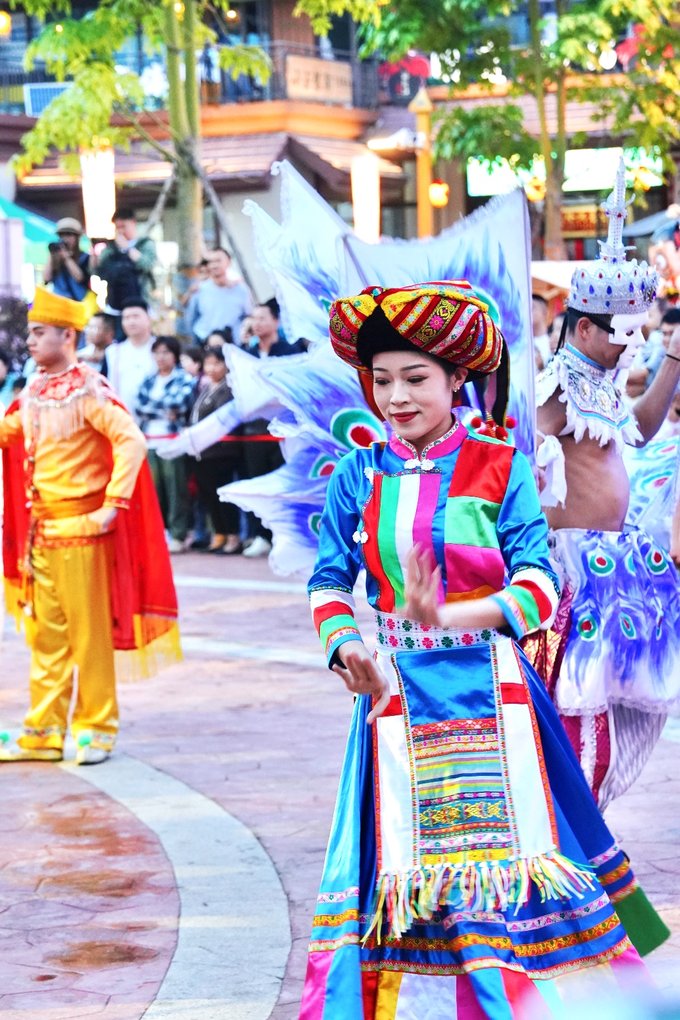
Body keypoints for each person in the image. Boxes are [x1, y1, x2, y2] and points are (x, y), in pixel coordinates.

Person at [300, 280, 667, 1018]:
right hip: (395, 699)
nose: (396, 397)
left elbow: (538, 585)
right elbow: (329, 580)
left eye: (415, 378)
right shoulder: (358, 473)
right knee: (404, 872)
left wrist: (454, 612)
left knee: (502, 879)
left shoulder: (500, 464)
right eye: (382, 380)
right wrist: (347, 650)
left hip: (492, 692)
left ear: (456, 378)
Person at [533, 161, 680, 806]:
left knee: (613, 716)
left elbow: (639, 431)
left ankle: (584, 822)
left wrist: (673, 358)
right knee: (578, 714)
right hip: (573, 568)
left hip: (615, 561)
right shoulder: (556, 387)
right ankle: (573, 824)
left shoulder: (602, 381)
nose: (633, 342)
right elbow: (519, 454)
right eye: (624, 330)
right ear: (586, 328)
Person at [0, 289, 179, 765]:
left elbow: (131, 442)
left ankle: (96, 728)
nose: (30, 341)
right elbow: (8, 434)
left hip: (82, 530)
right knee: (46, 637)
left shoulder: (89, 389)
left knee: (88, 637)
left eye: (39, 332)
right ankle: (43, 730)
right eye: (30, 332)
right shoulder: (33, 391)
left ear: (68, 336)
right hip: (42, 531)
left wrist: (112, 505)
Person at [242, 299, 303, 557]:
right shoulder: (247, 354)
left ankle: (286, 535)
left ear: (276, 321)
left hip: (283, 431)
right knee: (255, 482)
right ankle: (261, 535)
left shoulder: (290, 352)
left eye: (262, 318)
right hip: (253, 431)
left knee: (283, 483)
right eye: (253, 318)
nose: (257, 323)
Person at [136, 336, 196, 553]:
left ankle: (178, 533)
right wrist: (163, 410)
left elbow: (179, 404)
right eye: (157, 352)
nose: (161, 357)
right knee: (154, 490)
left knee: (175, 489)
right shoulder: (148, 380)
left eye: (166, 352)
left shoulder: (184, 379)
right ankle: (159, 533)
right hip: (149, 441)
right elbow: (139, 406)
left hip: (173, 442)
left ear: (175, 355)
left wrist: (156, 408)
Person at [188, 347, 243, 554]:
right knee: (209, 495)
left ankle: (233, 536)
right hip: (202, 451)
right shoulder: (206, 387)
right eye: (208, 363)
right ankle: (219, 534)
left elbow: (221, 418)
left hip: (221, 452)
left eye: (217, 363)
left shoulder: (229, 388)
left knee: (224, 495)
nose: (211, 368)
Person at [94, 207, 156, 329]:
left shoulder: (145, 244)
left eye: (123, 226)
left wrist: (127, 247)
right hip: (115, 304)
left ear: (133, 223)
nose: (121, 231)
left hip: (140, 301)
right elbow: (98, 272)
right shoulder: (111, 248)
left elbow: (147, 265)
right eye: (118, 227)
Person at [102, 298, 156, 421]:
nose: (131, 322)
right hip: (121, 420)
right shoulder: (112, 352)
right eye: (126, 318)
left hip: (154, 423)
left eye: (136, 316)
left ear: (148, 318)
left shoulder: (161, 349)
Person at [186, 248, 253, 345]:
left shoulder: (241, 290)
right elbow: (191, 319)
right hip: (206, 344)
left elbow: (248, 316)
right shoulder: (199, 290)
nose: (214, 265)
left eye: (218, 261)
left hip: (234, 345)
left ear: (228, 262)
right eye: (210, 262)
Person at [43, 217, 92, 303]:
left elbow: (80, 278)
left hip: (78, 304)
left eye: (69, 235)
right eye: (62, 235)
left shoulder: (85, 257)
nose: (65, 239)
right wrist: (52, 255)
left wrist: (67, 258)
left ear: (77, 237)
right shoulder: (56, 257)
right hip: (58, 303)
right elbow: (46, 279)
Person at [531, 293, 552, 371]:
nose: (528, 312)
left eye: (532, 308)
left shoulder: (552, 343)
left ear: (545, 312)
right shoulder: (521, 343)